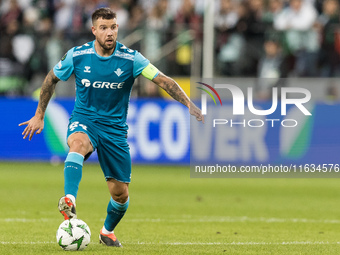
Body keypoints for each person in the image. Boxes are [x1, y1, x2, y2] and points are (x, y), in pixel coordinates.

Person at [19, 7, 203, 248]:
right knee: (77, 143)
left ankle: (107, 231)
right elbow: (51, 78)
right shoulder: (77, 55)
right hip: (85, 118)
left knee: (120, 194)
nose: (109, 32)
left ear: (118, 28)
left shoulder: (131, 59)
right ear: (93, 30)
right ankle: (69, 199)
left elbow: (163, 80)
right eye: (104, 28)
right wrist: (39, 114)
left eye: (113, 27)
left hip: (115, 129)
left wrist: (188, 103)